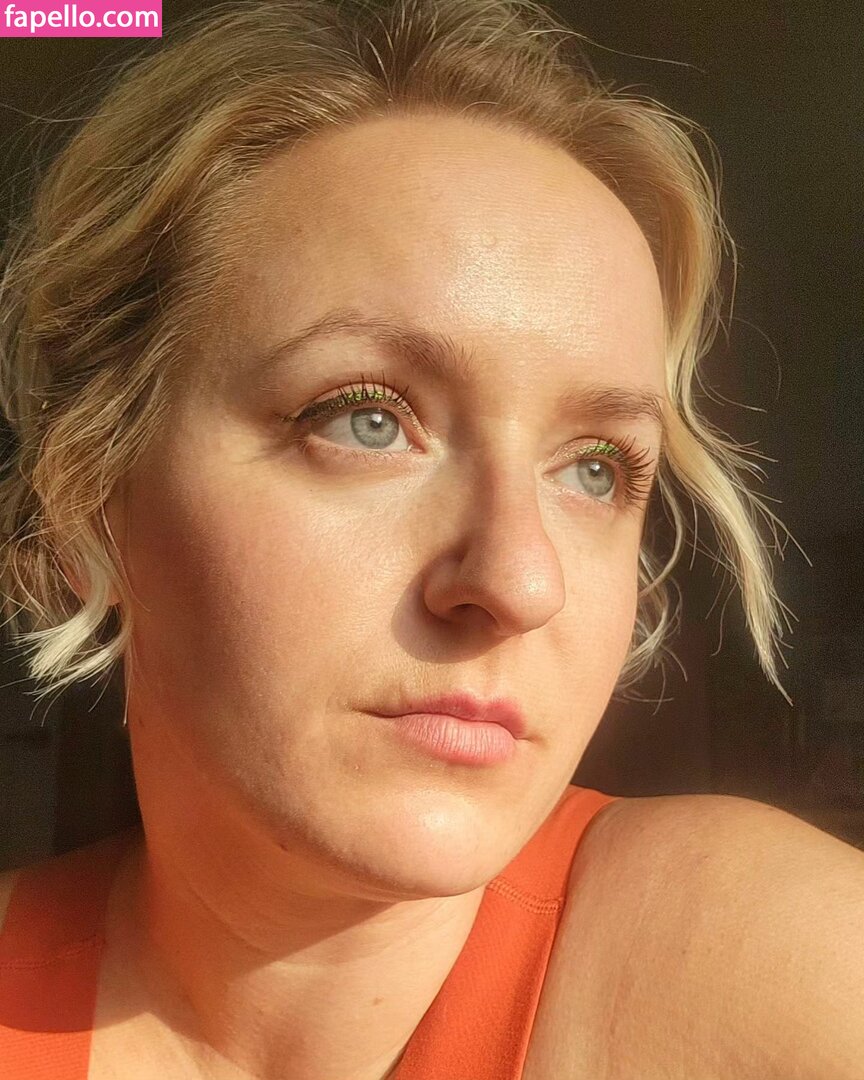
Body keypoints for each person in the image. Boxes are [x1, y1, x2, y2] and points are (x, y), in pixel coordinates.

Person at [0, 1, 862, 1077]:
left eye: (596, 468)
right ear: (87, 497)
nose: (521, 579)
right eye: (366, 419)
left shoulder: (770, 965)